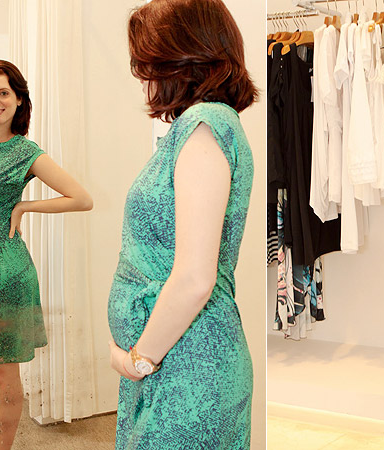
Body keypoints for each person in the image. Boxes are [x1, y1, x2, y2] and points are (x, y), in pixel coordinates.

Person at [106, 0, 257, 448]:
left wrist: (138, 360)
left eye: (147, 63)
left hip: (185, 366)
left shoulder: (204, 126)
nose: (143, 77)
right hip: (173, 360)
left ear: (180, 56)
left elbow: (194, 278)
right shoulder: (202, 126)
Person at [0, 59, 93, 450]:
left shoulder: (25, 152)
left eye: (4, 92)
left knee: (3, 372)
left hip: (3, 274)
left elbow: (81, 198)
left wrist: (25, 206)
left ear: (19, 99)